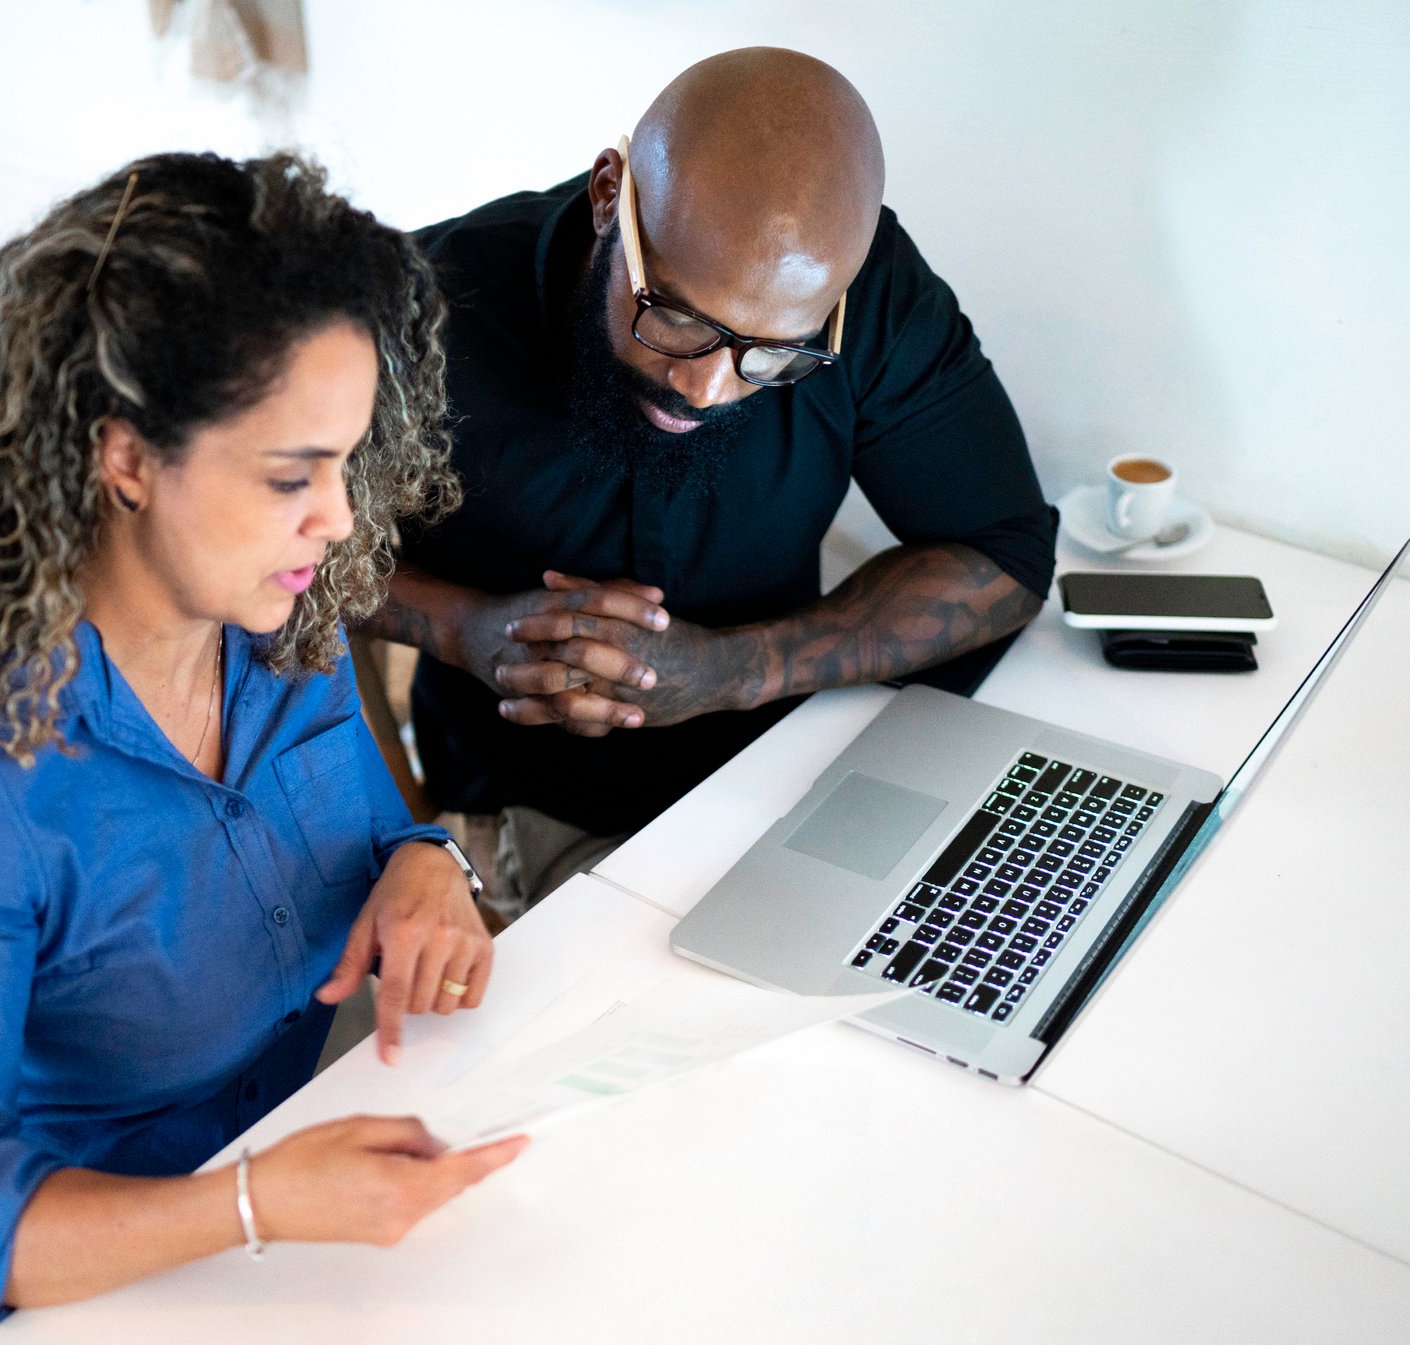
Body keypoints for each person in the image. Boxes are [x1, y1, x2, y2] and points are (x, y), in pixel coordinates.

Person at [0, 152, 526, 1345]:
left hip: (276, 1173)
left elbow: (367, 823)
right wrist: (245, 1204)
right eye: (293, 477)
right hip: (60, 1292)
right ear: (124, 457)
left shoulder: (274, 617)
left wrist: (424, 859)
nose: (341, 521)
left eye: (345, 464)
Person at [365, 48, 1058, 907]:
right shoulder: (416, 312)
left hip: (782, 783)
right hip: (511, 813)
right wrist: (461, 627)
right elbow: (286, 560)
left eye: (772, 353)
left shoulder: (869, 299)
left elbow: (1006, 557)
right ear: (609, 192)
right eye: (678, 317)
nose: (706, 388)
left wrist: (737, 669)